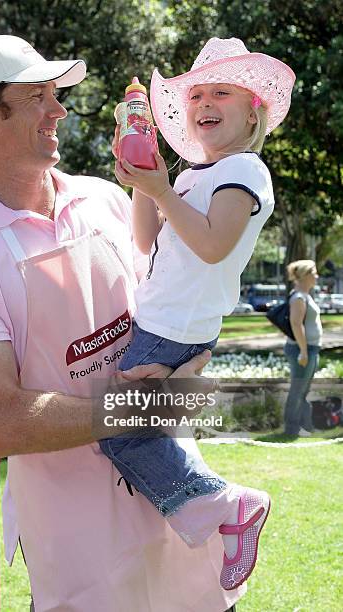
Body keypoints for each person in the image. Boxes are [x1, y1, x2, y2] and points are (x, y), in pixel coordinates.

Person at [0, 35, 243, 611]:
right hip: (80, 546)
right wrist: (148, 405)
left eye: (56, 93)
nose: (59, 109)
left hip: (178, 505)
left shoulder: (107, 200)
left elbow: (166, 311)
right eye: (38, 96)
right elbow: (1, 420)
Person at [97, 36, 296, 590]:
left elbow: (212, 245)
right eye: (197, 93)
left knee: (119, 433)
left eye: (222, 92)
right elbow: (144, 240)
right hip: (165, 327)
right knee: (147, 429)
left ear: (253, 109)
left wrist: (163, 191)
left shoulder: (247, 172)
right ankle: (204, 527)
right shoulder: (188, 177)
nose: (205, 101)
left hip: (170, 330)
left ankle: (228, 506)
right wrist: (146, 181)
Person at [283, 260, 322, 436]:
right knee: (297, 390)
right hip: (302, 350)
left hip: (311, 349)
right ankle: (292, 429)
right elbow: (296, 324)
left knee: (303, 391)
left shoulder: (305, 295)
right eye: (314, 272)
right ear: (305, 275)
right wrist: (304, 351)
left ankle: (304, 425)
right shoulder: (298, 297)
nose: (317, 276)